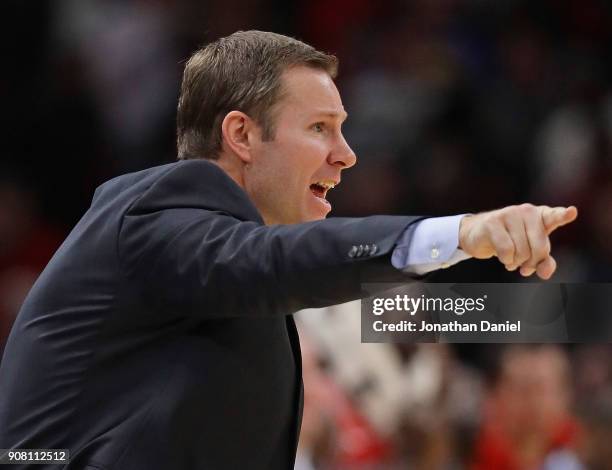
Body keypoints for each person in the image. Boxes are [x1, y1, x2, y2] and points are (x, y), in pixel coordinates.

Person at [0, 31, 577, 469]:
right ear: (242, 135)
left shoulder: (236, 274)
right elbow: (278, 262)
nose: (347, 154)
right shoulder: (159, 212)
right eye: (321, 128)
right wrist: (460, 233)